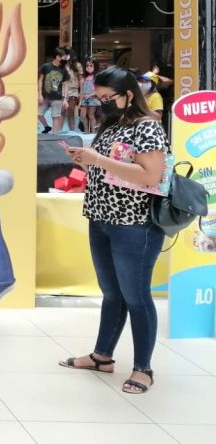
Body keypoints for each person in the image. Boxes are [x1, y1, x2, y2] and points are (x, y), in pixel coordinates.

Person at [60, 66, 168, 395]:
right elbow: (108, 166)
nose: (103, 103)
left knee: (136, 296)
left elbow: (150, 175)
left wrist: (99, 160)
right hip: (101, 218)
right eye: (99, 98)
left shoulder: (147, 126)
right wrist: (85, 160)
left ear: (129, 94)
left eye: (108, 98)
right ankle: (102, 356)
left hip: (134, 223)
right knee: (111, 293)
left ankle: (143, 368)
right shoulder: (112, 125)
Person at [38, 48, 66, 134]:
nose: (64, 60)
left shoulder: (63, 70)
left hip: (57, 97)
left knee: (55, 117)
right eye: (63, 58)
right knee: (38, 113)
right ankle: (47, 126)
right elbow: (40, 80)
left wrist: (65, 99)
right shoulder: (45, 66)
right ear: (57, 57)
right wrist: (39, 94)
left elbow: (65, 84)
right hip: (45, 96)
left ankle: (55, 135)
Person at [63, 51, 83, 132]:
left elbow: (81, 79)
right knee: (62, 111)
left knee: (71, 111)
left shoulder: (77, 65)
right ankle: (60, 130)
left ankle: (72, 131)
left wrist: (81, 92)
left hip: (73, 90)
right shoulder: (63, 64)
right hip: (63, 89)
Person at [79, 59, 100, 134]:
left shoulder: (97, 77)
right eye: (87, 65)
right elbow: (82, 90)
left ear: (95, 67)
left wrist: (90, 95)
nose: (88, 67)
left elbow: (98, 90)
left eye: (91, 66)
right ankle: (86, 131)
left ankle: (93, 132)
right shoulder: (84, 78)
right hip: (84, 98)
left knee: (91, 115)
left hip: (93, 98)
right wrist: (80, 102)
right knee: (82, 115)